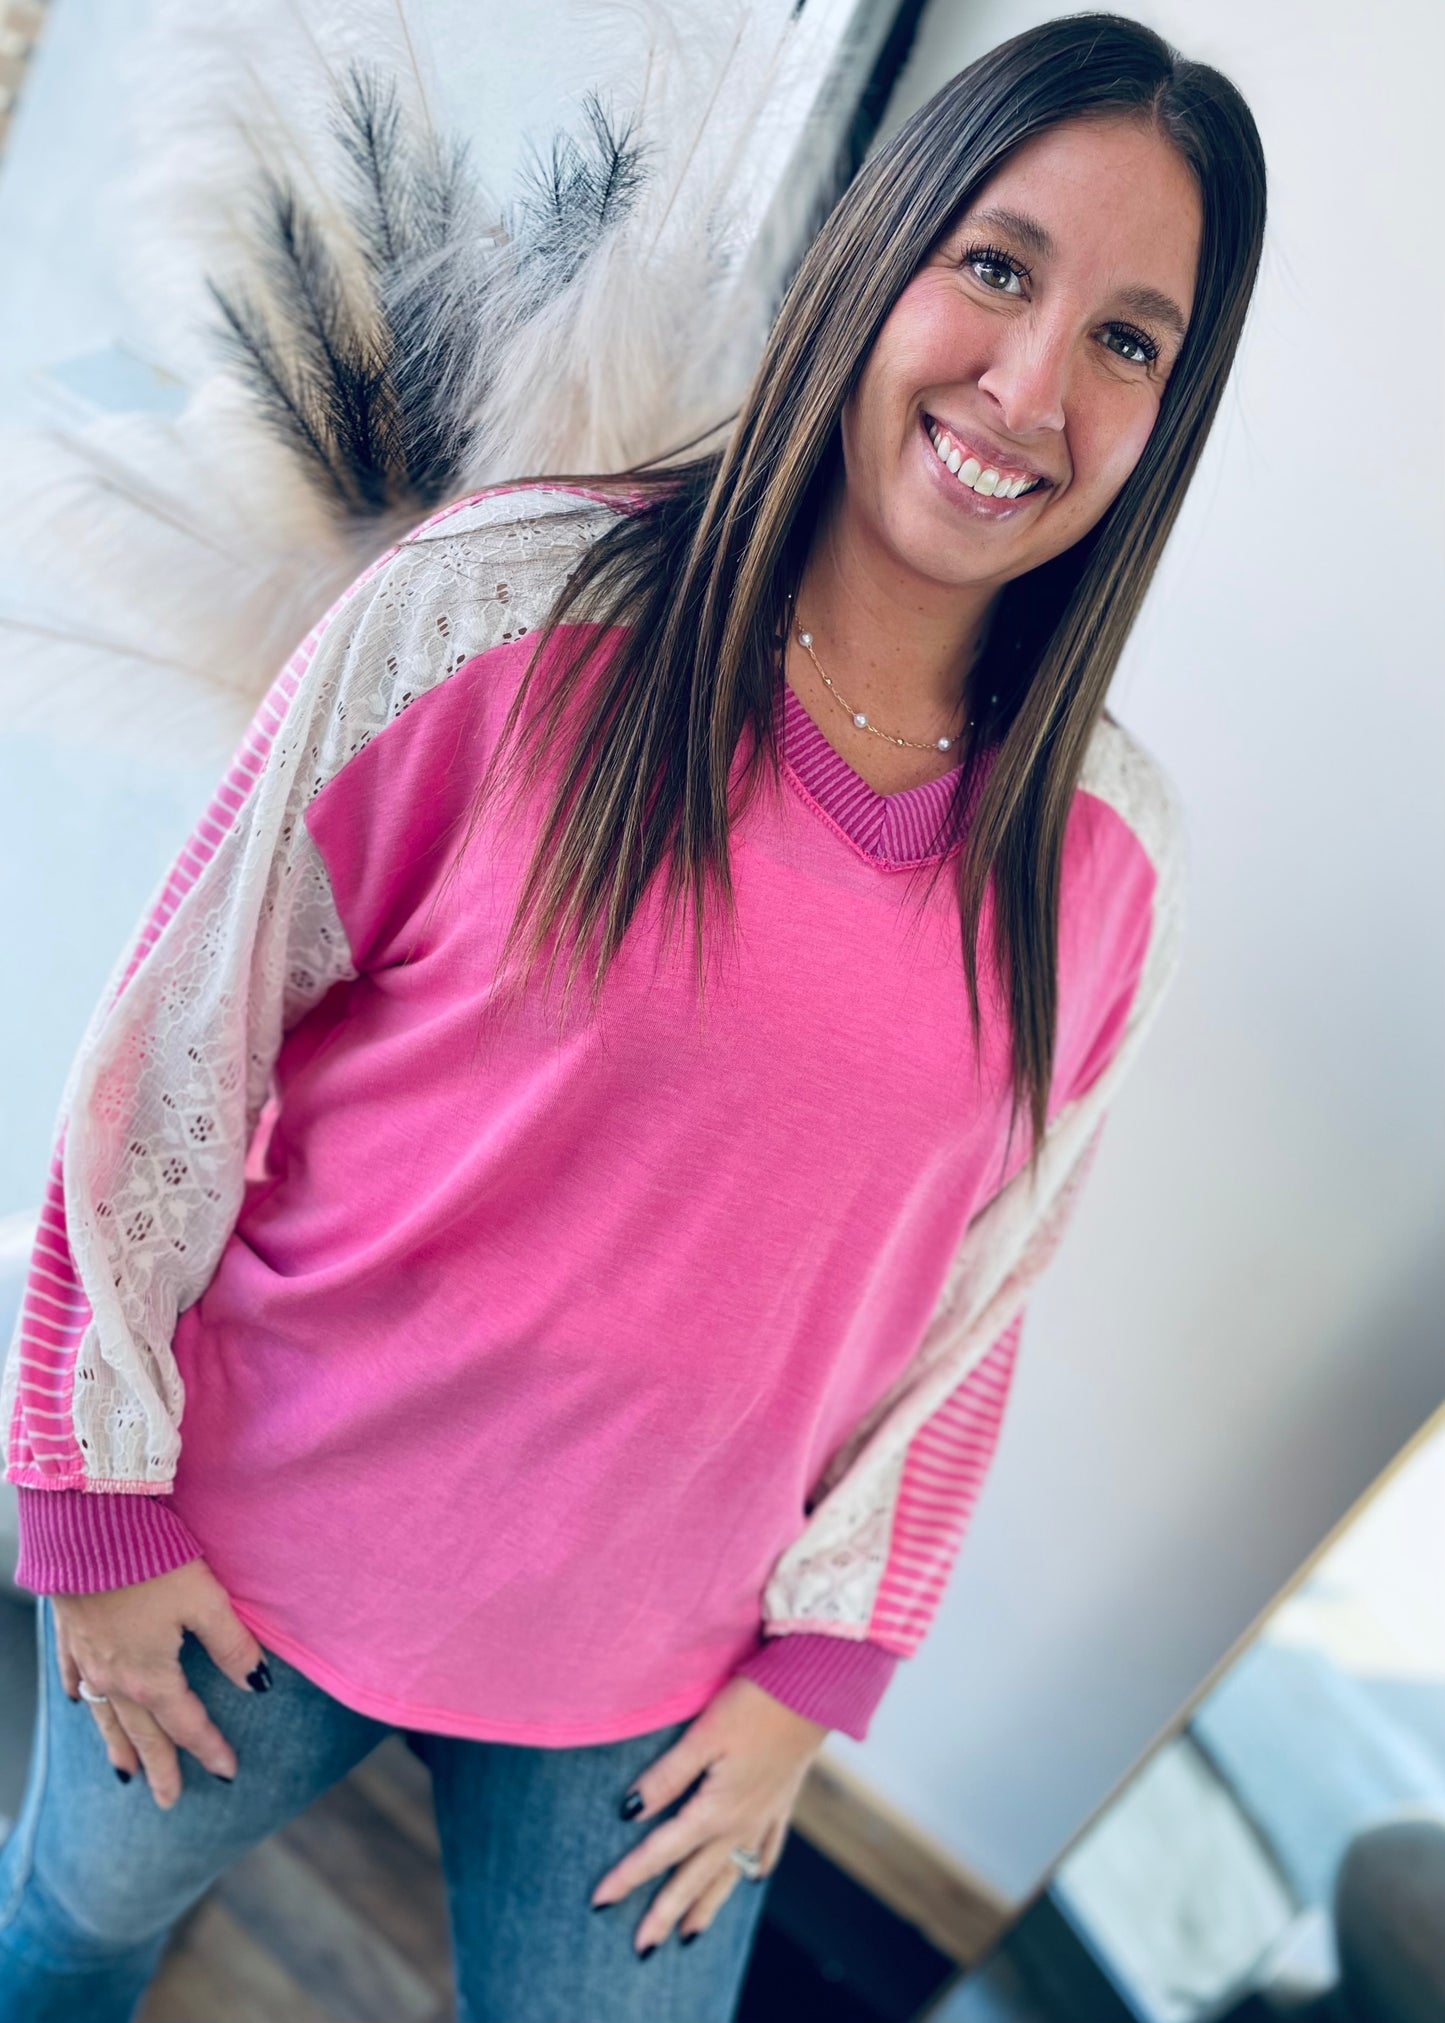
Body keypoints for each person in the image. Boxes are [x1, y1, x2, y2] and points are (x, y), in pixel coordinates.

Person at [0, 13, 1266, 2021]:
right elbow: (172, 1051)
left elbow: (973, 1307)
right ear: (882, 256)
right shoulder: (496, 614)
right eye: (1000, 269)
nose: (1034, 383)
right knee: (67, 1934)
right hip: (246, 1563)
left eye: (1132, 338)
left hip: (669, 1689)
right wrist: (95, 1495)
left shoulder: (1111, 861)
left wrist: (817, 1680)